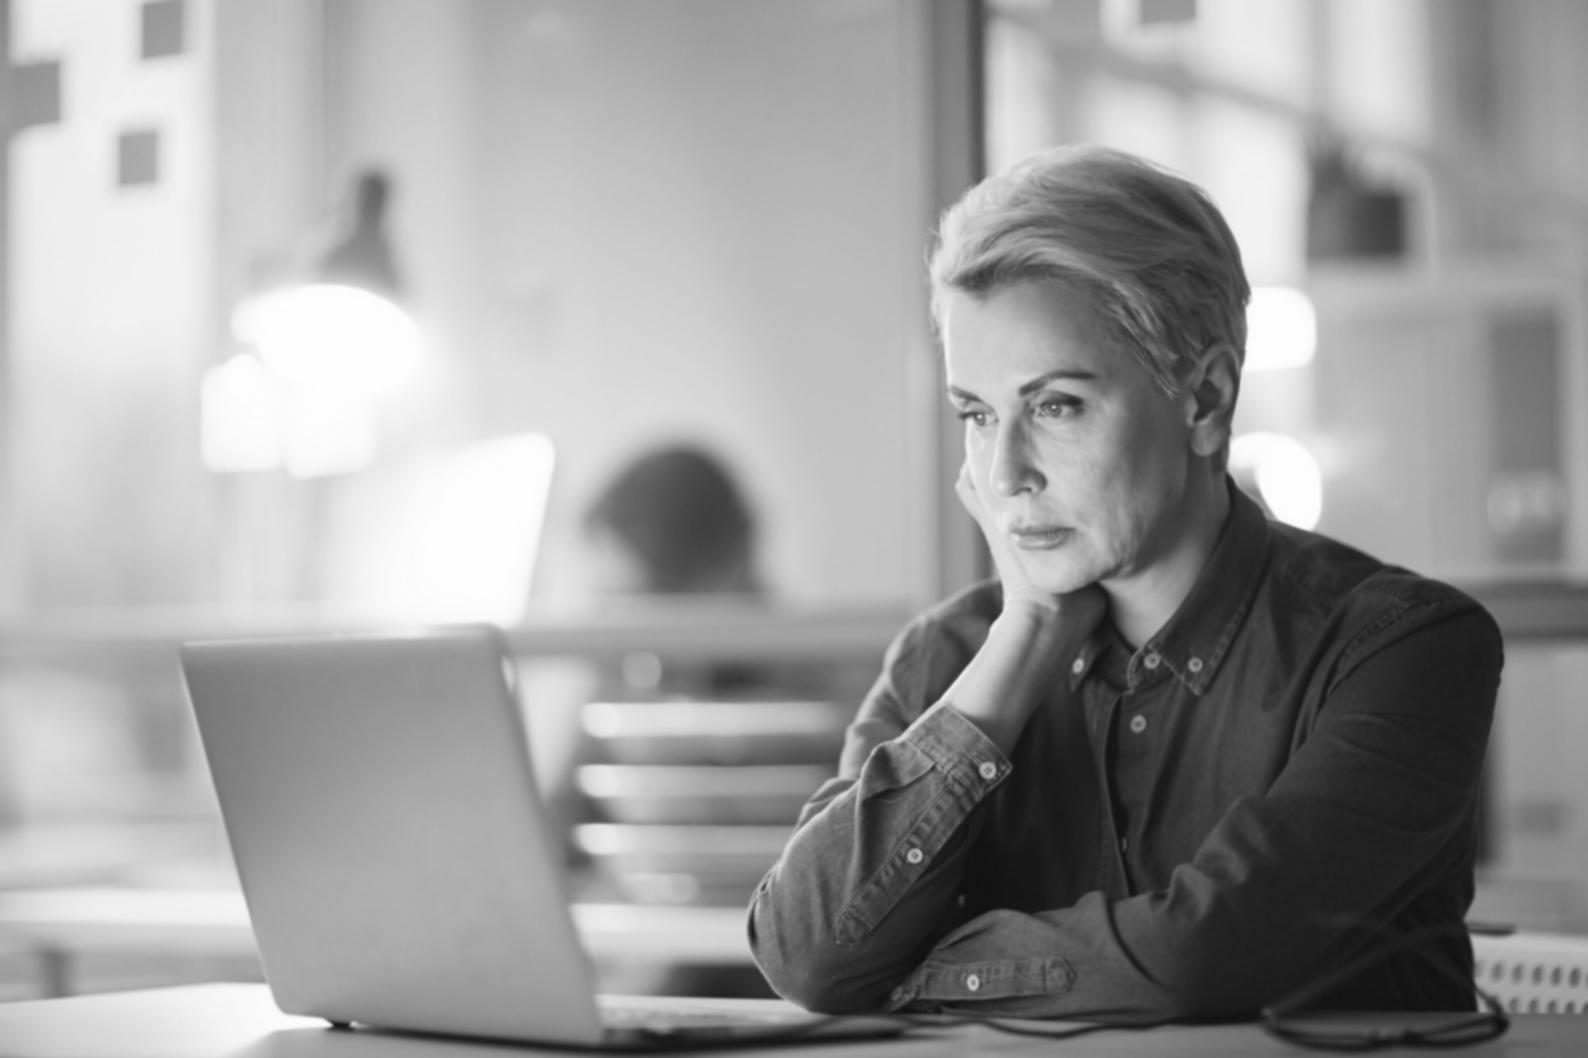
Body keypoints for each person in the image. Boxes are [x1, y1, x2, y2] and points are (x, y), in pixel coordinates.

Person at [747, 144, 1503, 1020]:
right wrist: (1026, 632)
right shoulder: (949, 659)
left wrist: (910, 975)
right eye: (978, 415)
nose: (1003, 474)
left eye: (1056, 405)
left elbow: (1202, 959)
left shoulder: (1404, 649)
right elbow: (806, 955)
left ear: (1205, 399)